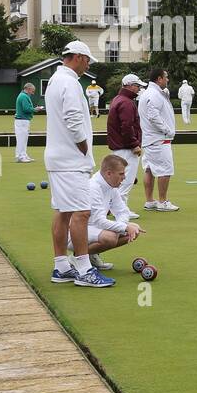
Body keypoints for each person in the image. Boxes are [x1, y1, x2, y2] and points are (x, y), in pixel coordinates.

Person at [45, 41, 113, 287]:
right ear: (76, 57)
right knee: (81, 212)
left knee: (63, 211)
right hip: (71, 160)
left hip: (59, 158)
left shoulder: (55, 80)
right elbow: (73, 120)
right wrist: (84, 148)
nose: (87, 65)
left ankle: (62, 266)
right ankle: (84, 270)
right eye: (86, 60)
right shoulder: (70, 82)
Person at [83, 154, 145, 269]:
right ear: (109, 173)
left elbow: (123, 211)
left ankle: (91, 256)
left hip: (94, 228)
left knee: (134, 230)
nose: (124, 177)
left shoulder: (111, 186)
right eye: (121, 174)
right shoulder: (93, 187)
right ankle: (78, 258)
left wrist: (124, 225)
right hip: (76, 233)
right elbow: (99, 221)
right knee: (110, 237)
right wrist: (125, 227)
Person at [140, 66, 179, 211]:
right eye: (166, 77)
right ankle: (163, 202)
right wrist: (167, 130)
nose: (167, 80)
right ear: (159, 79)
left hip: (151, 139)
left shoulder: (152, 93)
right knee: (165, 170)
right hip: (159, 139)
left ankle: (150, 201)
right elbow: (153, 115)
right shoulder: (154, 94)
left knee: (149, 169)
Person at [106, 74, 145, 219]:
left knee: (121, 179)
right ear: (129, 85)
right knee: (125, 180)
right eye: (137, 86)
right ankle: (121, 210)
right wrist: (134, 144)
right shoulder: (127, 103)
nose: (139, 89)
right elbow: (127, 126)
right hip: (126, 148)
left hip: (119, 147)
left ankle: (116, 208)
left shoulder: (118, 99)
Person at [14, 82, 36, 162]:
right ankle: (20, 156)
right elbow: (26, 109)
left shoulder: (24, 95)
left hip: (23, 120)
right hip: (22, 120)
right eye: (32, 91)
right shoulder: (23, 96)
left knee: (24, 139)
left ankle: (23, 154)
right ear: (28, 89)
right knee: (21, 139)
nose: (33, 93)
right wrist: (35, 109)